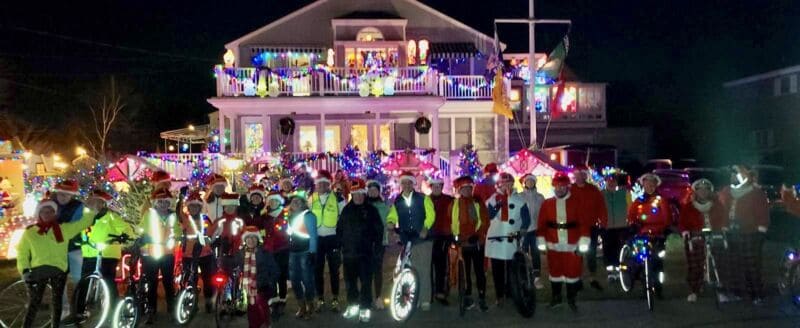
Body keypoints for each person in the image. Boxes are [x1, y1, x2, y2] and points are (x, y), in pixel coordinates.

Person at [17, 200, 95, 328]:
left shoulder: (63, 229)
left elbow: (84, 223)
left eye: (51, 211)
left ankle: (56, 325)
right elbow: (22, 253)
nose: (47, 214)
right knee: (34, 302)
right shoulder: (30, 232)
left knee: (57, 301)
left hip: (58, 269)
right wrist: (24, 269)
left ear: (55, 213)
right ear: (39, 213)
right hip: (38, 270)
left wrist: (90, 210)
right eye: (44, 211)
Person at [68, 189, 134, 324]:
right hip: (90, 253)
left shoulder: (110, 217)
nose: (93, 205)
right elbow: (76, 230)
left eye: (97, 202)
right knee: (84, 282)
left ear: (102, 204)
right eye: (91, 202)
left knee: (108, 280)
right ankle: (78, 312)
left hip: (107, 254)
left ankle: (114, 309)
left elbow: (126, 228)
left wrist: (125, 236)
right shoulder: (85, 218)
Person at [537, 172, 591, 312]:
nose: (559, 189)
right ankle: (556, 298)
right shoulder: (547, 204)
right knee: (555, 272)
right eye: (557, 186)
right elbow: (541, 224)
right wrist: (541, 241)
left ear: (567, 187)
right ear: (554, 187)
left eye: (562, 186)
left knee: (572, 273)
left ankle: (571, 299)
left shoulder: (577, 203)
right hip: (553, 244)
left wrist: (583, 242)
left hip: (572, 244)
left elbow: (584, 224)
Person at [718, 165, 769, 305]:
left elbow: (763, 214)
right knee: (733, 264)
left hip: (751, 233)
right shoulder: (727, 192)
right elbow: (722, 210)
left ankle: (756, 294)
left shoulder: (756, 193)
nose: (734, 176)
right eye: (733, 174)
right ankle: (736, 292)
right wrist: (723, 226)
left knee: (751, 264)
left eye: (738, 173)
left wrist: (761, 230)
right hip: (732, 232)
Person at [386, 171, 436, 310]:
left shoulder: (422, 198)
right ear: (401, 184)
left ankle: (425, 299)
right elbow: (393, 215)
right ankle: (415, 298)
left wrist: (425, 227)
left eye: (409, 182)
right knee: (409, 269)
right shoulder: (398, 200)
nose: (406, 185)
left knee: (423, 269)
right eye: (404, 182)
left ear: (413, 184)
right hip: (406, 238)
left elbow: (431, 214)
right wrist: (390, 222)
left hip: (422, 239)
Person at [337, 179, 383, 323]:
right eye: (355, 194)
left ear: (364, 195)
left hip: (365, 253)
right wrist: (340, 247)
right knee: (350, 282)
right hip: (349, 253)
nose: (358, 197)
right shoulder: (346, 210)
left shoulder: (371, 210)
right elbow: (340, 230)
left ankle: (365, 307)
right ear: (352, 195)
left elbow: (378, 231)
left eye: (360, 194)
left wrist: (377, 248)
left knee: (365, 282)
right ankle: (353, 305)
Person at [485, 172, 530, 307]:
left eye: (509, 183)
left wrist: (523, 229)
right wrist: (500, 202)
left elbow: (526, 219)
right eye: (503, 184)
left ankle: (511, 292)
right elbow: (489, 216)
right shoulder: (492, 199)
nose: (506, 186)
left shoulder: (520, 200)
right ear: (499, 184)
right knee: (497, 269)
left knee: (512, 268)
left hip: (511, 237)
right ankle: (499, 295)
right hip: (496, 238)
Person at [139, 188, 182, 324]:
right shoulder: (149, 215)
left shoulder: (173, 216)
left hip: (167, 254)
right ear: (156, 203)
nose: (163, 204)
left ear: (169, 203)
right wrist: (143, 245)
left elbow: (177, 231)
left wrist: (178, 237)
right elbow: (141, 230)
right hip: (151, 254)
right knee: (152, 283)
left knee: (168, 283)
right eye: (160, 201)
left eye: (166, 202)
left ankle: (172, 309)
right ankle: (152, 310)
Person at [679, 179, 726, 303]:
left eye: (706, 189)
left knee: (720, 262)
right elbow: (683, 223)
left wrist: (723, 228)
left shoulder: (717, 205)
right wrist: (685, 232)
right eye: (700, 189)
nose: (703, 192)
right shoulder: (689, 207)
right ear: (696, 191)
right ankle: (694, 290)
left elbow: (723, 218)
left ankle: (721, 288)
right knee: (695, 265)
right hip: (696, 237)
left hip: (714, 237)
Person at [627, 173, 671, 298]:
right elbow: (631, 216)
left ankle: (658, 287)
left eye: (653, 183)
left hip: (658, 234)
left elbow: (667, 218)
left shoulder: (661, 200)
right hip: (642, 233)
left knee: (658, 262)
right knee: (640, 259)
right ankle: (643, 282)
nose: (650, 185)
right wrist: (633, 225)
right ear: (643, 185)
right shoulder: (638, 201)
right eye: (647, 183)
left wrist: (665, 229)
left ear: (656, 185)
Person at [450, 176, 490, 311]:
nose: (467, 191)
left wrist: (478, 235)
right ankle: (467, 296)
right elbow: (451, 221)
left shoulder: (478, 203)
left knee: (479, 272)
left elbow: (484, 221)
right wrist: (454, 236)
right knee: (465, 272)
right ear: (460, 190)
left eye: (469, 188)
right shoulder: (454, 204)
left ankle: (482, 297)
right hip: (462, 243)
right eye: (464, 189)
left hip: (477, 243)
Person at [308, 169, 346, 312]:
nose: (322, 186)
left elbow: (344, 217)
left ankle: (335, 298)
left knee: (334, 270)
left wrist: (341, 237)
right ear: (316, 185)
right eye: (319, 184)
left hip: (332, 238)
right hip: (317, 239)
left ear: (329, 184)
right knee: (318, 270)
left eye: (325, 183)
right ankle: (320, 298)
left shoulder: (338, 198)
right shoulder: (311, 198)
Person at [570, 164, 608, 291]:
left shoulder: (593, 190)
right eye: (577, 174)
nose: (580, 177)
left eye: (582, 174)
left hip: (591, 227)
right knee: (577, 254)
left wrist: (602, 223)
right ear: (574, 176)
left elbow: (601, 207)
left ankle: (593, 278)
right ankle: (577, 279)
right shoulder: (570, 190)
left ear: (585, 175)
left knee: (591, 254)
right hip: (575, 228)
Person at [179, 190, 217, 313]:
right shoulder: (184, 219)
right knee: (191, 280)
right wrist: (181, 198)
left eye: (196, 206)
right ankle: (193, 303)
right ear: (188, 207)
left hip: (205, 254)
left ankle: (208, 302)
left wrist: (212, 240)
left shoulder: (205, 219)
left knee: (208, 280)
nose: (194, 208)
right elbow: (177, 212)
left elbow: (212, 233)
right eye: (191, 206)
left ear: (200, 207)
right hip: (189, 255)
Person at [238, 226, 280, 328]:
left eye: (253, 238)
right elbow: (232, 263)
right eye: (248, 238)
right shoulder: (241, 253)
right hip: (249, 288)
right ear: (244, 240)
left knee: (259, 303)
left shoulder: (265, 253)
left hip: (264, 286)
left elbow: (275, 271)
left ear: (258, 240)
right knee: (252, 308)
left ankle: (265, 323)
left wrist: (263, 282)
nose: (251, 240)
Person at [286, 191, 319, 319]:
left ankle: (310, 305)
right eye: (293, 201)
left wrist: (312, 252)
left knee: (307, 280)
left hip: (305, 252)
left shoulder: (309, 215)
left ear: (304, 203)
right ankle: (301, 305)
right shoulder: (290, 216)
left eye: (298, 201)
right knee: (294, 280)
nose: (296, 203)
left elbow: (313, 235)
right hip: (293, 252)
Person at [261, 191, 290, 315]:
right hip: (268, 250)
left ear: (279, 202)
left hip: (282, 249)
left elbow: (288, 231)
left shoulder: (285, 215)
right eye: (271, 201)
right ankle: (274, 301)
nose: (273, 203)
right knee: (271, 277)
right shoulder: (264, 216)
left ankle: (282, 299)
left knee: (281, 276)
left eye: (276, 200)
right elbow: (261, 232)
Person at [428, 175, 455, 305]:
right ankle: (428, 292)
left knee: (441, 266)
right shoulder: (425, 200)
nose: (436, 188)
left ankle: (440, 291)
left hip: (444, 236)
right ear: (431, 187)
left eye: (439, 186)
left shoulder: (449, 200)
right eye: (434, 186)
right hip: (428, 237)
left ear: (442, 187)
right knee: (428, 266)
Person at [365, 179, 390, 310]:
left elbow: (387, 223)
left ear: (379, 192)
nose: (372, 192)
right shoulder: (363, 205)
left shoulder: (384, 207)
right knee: (366, 270)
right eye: (370, 190)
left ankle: (378, 296)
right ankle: (367, 297)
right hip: (365, 243)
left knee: (377, 270)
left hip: (380, 242)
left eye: (375, 190)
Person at [518, 173, 545, 289]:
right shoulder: (519, 196)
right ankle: (524, 277)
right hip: (523, 230)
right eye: (528, 181)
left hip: (535, 229)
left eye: (532, 181)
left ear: (535, 183)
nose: (530, 183)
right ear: (525, 183)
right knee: (523, 253)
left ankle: (537, 278)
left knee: (535, 253)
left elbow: (543, 213)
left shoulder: (540, 197)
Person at [601, 174, 630, 280]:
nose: (611, 183)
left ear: (617, 183)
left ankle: (619, 271)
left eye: (613, 181)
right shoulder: (601, 194)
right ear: (606, 182)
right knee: (608, 250)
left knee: (620, 249)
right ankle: (610, 272)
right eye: (609, 181)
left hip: (621, 226)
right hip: (607, 227)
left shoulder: (624, 194)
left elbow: (630, 208)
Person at [210, 193, 246, 274]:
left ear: (235, 207)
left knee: (238, 271)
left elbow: (244, 234)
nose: (229, 208)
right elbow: (212, 234)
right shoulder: (220, 221)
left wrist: (241, 245)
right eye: (227, 206)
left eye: (232, 206)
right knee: (223, 271)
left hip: (237, 251)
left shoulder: (239, 221)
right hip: (223, 251)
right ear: (224, 208)